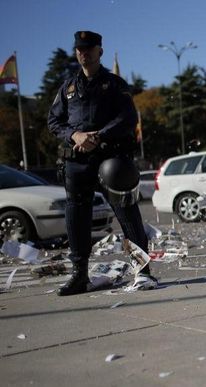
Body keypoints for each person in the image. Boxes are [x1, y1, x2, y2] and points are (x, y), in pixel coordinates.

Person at [48, 31, 157, 295]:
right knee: (77, 218)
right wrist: (75, 135)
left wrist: (98, 136)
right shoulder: (68, 88)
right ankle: (80, 276)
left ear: (100, 52)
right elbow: (54, 122)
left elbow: (128, 118)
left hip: (110, 160)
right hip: (77, 161)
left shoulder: (115, 84)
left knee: (127, 214)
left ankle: (142, 272)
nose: (83, 53)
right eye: (79, 49)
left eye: (89, 48)